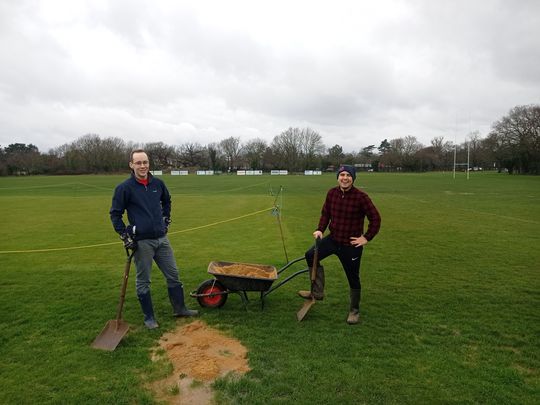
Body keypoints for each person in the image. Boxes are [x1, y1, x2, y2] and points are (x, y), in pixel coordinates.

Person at [109, 149, 198, 329]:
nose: (143, 166)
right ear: (131, 165)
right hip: (142, 242)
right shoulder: (124, 188)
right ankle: (149, 318)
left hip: (162, 239)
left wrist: (166, 219)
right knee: (144, 281)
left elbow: (167, 201)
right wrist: (125, 236)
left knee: (173, 275)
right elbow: (115, 214)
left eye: (145, 162)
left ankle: (180, 309)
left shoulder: (158, 183)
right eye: (139, 163)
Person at [299, 164, 381, 325]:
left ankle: (354, 310)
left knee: (353, 277)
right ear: (338, 177)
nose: (345, 178)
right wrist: (320, 229)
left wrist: (366, 238)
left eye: (348, 175)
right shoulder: (332, 193)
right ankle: (317, 292)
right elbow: (326, 214)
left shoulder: (361, 197)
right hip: (333, 239)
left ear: (353, 178)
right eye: (342, 175)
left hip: (351, 245)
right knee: (310, 255)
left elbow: (376, 219)